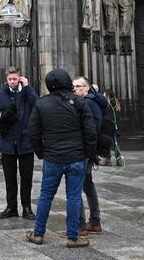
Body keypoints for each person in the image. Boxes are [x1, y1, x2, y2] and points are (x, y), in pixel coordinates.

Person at [26, 68, 98, 248]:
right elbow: (90, 132)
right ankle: (73, 237)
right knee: (73, 197)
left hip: (53, 158)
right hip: (76, 157)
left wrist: (41, 152)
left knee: (45, 196)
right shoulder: (80, 103)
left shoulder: (41, 104)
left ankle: (38, 234)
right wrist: (89, 154)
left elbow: (33, 132)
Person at [0, 67, 39, 219]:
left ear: (20, 78)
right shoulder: (0, 94)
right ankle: (11, 207)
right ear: (7, 80)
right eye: (10, 79)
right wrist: (0, 115)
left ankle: (26, 207)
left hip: (25, 142)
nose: (12, 81)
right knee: (9, 179)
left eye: (15, 78)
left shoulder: (26, 92)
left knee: (26, 178)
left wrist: (28, 87)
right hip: (8, 142)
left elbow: (37, 104)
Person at [76, 78, 104, 235]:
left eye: (77, 86)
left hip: (83, 151)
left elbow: (89, 130)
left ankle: (80, 225)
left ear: (86, 88)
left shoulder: (87, 103)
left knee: (75, 188)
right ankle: (94, 221)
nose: (74, 89)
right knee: (88, 185)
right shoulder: (94, 102)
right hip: (89, 151)